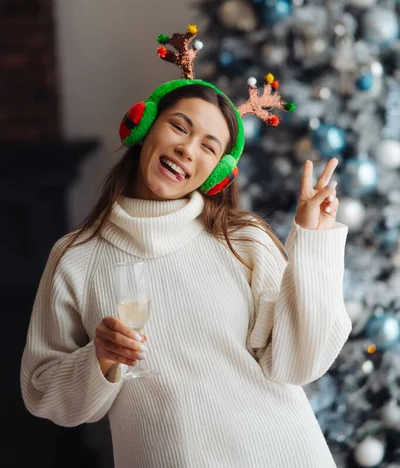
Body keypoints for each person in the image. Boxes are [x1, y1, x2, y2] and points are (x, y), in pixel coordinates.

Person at [21, 25, 351, 468]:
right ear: (143, 125)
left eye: (208, 147)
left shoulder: (242, 241)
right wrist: (98, 360)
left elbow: (296, 362)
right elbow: (43, 391)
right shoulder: (76, 258)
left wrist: (312, 240)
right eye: (179, 126)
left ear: (217, 173)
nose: (187, 149)